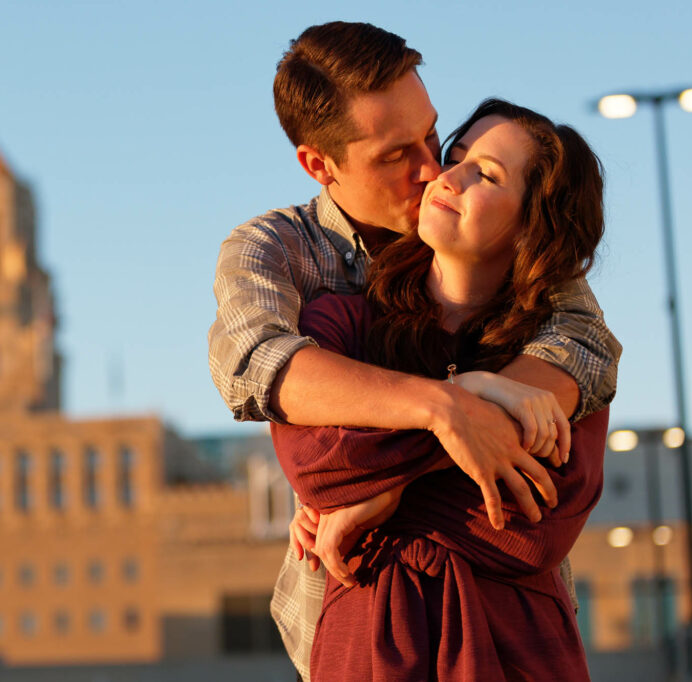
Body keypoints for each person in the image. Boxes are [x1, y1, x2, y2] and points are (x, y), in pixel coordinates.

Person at [207, 21, 621, 680]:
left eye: (434, 135)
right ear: (319, 164)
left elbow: (583, 353)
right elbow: (256, 366)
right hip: (349, 614)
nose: (432, 170)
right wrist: (449, 407)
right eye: (398, 152)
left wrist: (385, 490)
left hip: (507, 628)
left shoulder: (512, 253)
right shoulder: (281, 251)